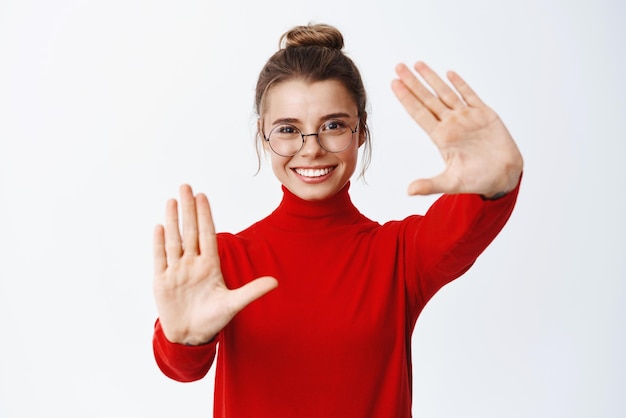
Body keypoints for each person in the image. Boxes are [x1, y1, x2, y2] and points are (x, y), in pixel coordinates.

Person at [152, 23, 523, 418]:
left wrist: (498, 180)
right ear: (263, 135)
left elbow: (468, 221)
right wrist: (181, 339)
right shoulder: (222, 259)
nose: (311, 150)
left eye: (332, 126)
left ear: (360, 129)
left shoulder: (398, 255)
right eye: (288, 130)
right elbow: (183, 368)